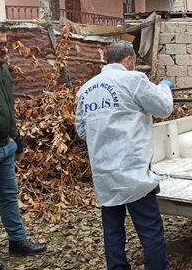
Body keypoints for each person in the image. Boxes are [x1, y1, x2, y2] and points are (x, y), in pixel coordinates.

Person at [75, 42, 173, 270]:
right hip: (133, 172)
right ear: (129, 60)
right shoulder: (134, 80)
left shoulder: (86, 89)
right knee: (150, 230)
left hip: (104, 174)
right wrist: (164, 87)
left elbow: (82, 131)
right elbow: (163, 108)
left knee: (113, 232)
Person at [0, 22, 47, 270]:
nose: (5, 49)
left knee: (9, 197)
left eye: (6, 43)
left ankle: (17, 240)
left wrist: (14, 136)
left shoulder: (2, 69)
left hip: (7, 146)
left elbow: (6, 106)